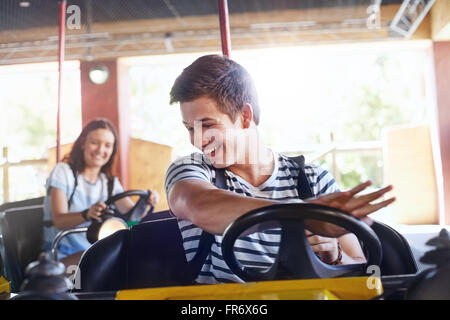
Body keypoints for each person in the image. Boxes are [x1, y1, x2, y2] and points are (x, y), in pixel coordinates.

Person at [165, 54, 395, 284]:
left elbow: (359, 264)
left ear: (245, 116)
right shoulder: (190, 169)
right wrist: (304, 216)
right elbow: (199, 206)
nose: (198, 140)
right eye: (190, 129)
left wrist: (334, 258)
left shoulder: (314, 180)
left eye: (207, 125)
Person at [43, 118, 160, 268]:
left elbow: (132, 219)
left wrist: (147, 203)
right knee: (102, 261)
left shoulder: (109, 183)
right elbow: (59, 220)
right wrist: (86, 214)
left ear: (112, 151)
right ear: (83, 143)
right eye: (94, 142)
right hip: (59, 256)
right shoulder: (63, 172)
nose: (100, 150)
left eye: (107, 145)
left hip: (93, 252)